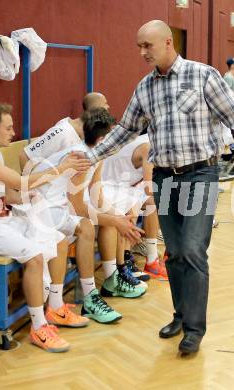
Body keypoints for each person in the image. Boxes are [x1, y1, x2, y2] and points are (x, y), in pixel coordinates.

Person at [85, 20, 234, 354]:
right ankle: (181, 315)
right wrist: (91, 155)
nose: (141, 52)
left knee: (193, 250)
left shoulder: (203, 76)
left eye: (146, 46)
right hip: (165, 178)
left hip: (199, 175)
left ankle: (194, 330)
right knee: (176, 252)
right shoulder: (145, 87)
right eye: (139, 46)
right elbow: (125, 129)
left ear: (168, 42)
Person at [0, 102, 92, 353]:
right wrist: (60, 169)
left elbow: (13, 195)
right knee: (35, 255)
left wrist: (31, 198)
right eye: (7, 128)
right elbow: (21, 182)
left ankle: (56, 307)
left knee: (58, 240)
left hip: (0, 220)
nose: (13, 132)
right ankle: (38, 328)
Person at [31, 108, 146, 312]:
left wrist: (121, 218)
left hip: (59, 204)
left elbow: (97, 198)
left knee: (99, 221)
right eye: (115, 135)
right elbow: (79, 208)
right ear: (103, 139)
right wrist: (115, 222)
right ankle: (89, 297)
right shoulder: (81, 158)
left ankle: (93, 294)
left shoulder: (97, 156)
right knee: (87, 226)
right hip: (40, 206)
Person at [102, 133, 167, 280]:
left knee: (150, 202)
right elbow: (149, 188)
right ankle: (125, 262)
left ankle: (149, 260)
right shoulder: (149, 147)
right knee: (150, 201)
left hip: (125, 186)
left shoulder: (154, 140)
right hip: (107, 185)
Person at [19, 92, 110, 170]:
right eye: (105, 103)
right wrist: (30, 186)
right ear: (95, 110)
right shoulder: (62, 132)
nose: (108, 106)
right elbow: (25, 155)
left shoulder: (89, 135)